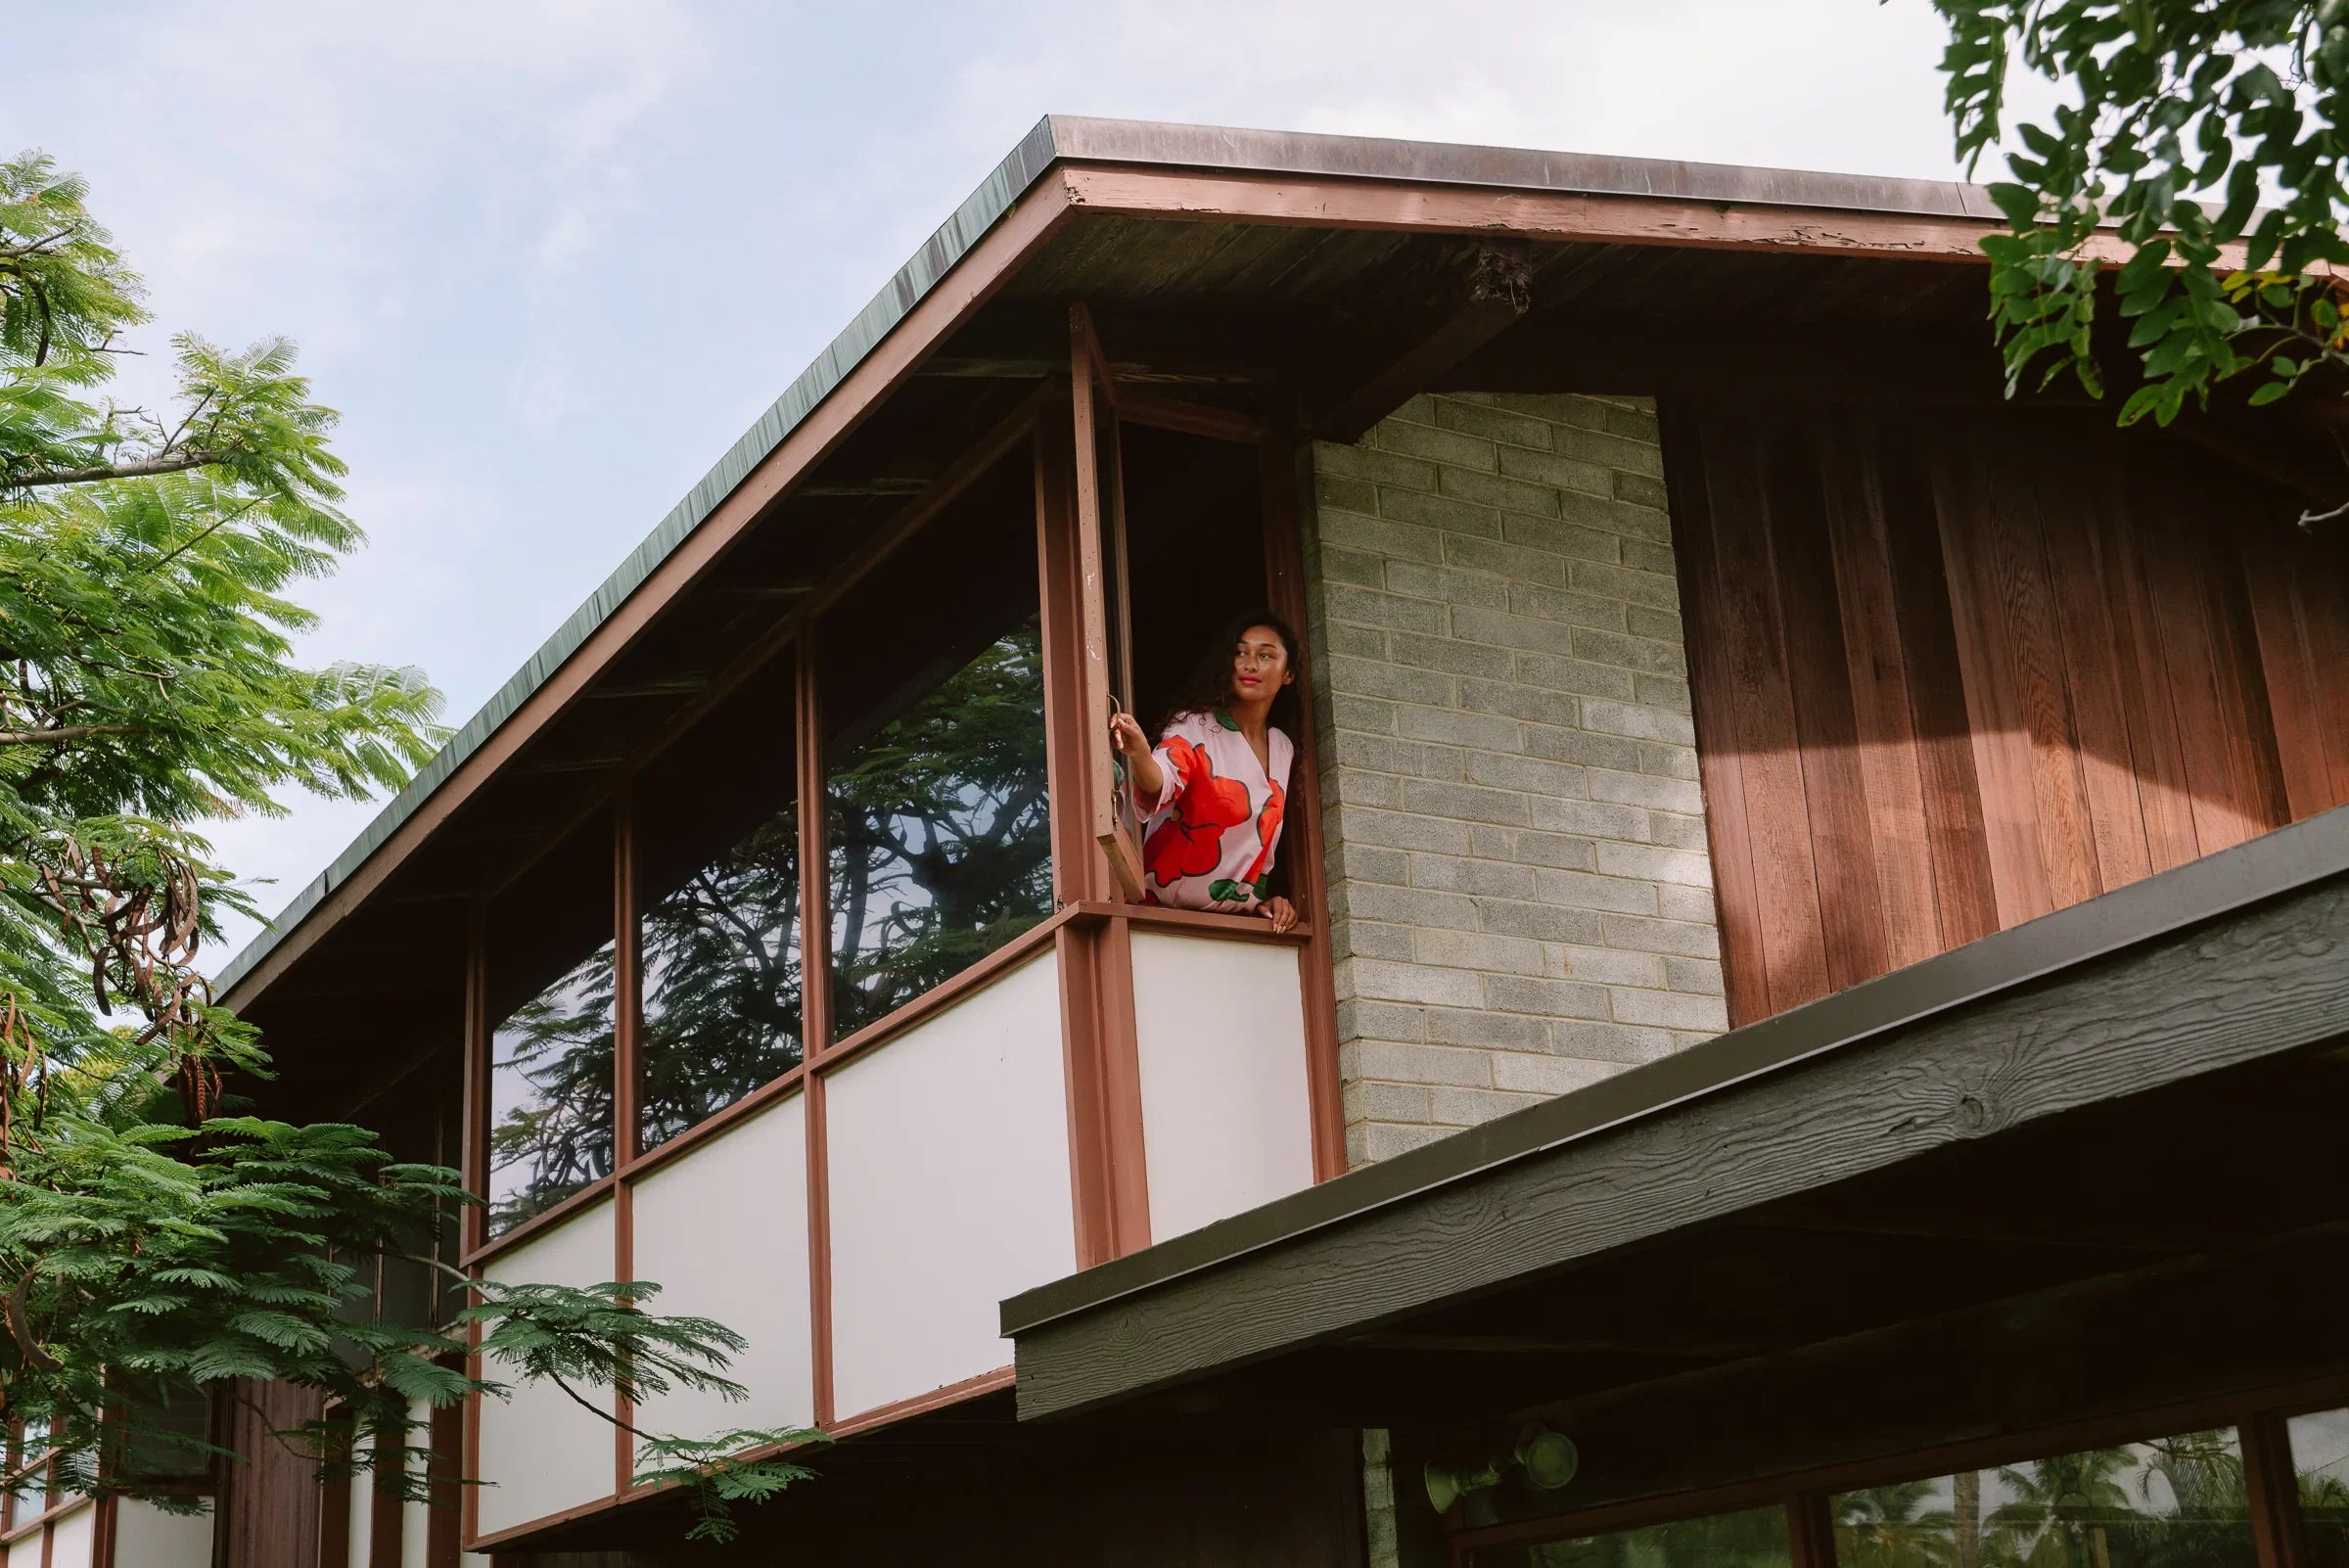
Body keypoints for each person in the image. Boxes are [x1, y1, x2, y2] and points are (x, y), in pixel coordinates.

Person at [1108, 613, 1304, 934]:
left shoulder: (1283, 748)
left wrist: (1265, 901)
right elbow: (1161, 782)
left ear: (1289, 674)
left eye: (1265, 655)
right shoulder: (1195, 727)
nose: (1250, 664)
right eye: (1240, 652)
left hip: (1238, 928)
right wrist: (1141, 753)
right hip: (1158, 920)